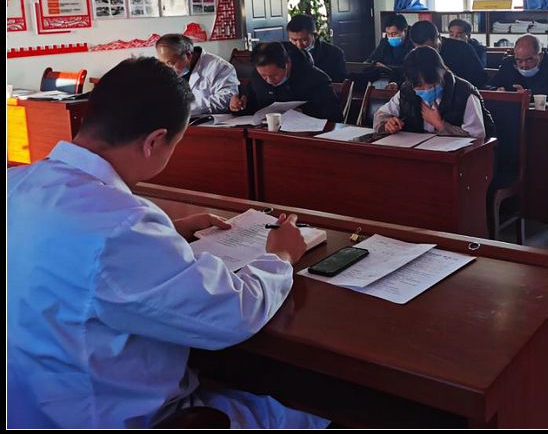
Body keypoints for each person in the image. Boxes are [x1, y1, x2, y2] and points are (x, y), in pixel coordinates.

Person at [7, 58, 326, 428]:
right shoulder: (123, 224)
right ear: (154, 141)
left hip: (27, 408)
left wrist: (169, 232)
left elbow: (76, 254)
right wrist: (280, 256)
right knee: (312, 414)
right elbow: (231, 315)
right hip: (113, 414)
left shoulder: (18, 184)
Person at [373, 47, 494, 139]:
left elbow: (477, 137)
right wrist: (387, 124)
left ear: (442, 73)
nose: (426, 90)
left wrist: (440, 125)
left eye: (431, 84)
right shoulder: (407, 91)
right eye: (420, 86)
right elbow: (380, 115)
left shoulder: (464, 93)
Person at [230, 41, 341, 121]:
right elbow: (251, 108)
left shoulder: (315, 79)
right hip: (269, 132)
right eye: (264, 76)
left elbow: (335, 114)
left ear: (288, 65)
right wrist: (238, 106)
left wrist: (304, 112)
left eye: (274, 75)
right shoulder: (256, 77)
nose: (269, 80)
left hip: (307, 135)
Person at [155, 33, 239, 115]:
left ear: (188, 55)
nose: (167, 69)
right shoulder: (168, 71)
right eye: (163, 64)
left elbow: (226, 99)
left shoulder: (219, 67)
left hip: (213, 121)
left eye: (170, 63)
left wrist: (184, 107)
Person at [490, 34, 548, 101]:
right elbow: (488, 86)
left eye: (529, 60)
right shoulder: (508, 63)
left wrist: (529, 94)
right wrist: (497, 90)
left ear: (540, 55)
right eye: (519, 61)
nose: (524, 65)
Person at [409, 20, 488, 89]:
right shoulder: (413, 54)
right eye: (420, 49)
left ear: (438, 38)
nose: (425, 53)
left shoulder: (463, 49)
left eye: (430, 48)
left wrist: (449, 75)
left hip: (459, 94)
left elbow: (479, 80)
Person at [287, 14, 347, 83]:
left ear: (314, 35)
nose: (299, 45)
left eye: (304, 40)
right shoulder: (284, 52)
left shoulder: (334, 54)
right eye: (294, 40)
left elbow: (339, 82)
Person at [364, 13, 413, 88]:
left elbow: (412, 72)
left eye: (394, 33)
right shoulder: (385, 42)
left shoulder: (414, 43)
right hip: (387, 79)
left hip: (406, 84)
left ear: (405, 31)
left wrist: (388, 69)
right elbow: (371, 60)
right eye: (388, 34)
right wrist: (373, 64)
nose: (391, 37)